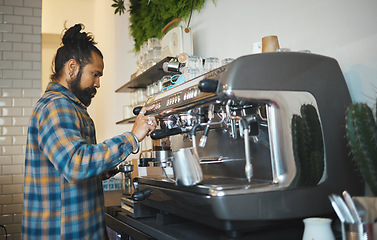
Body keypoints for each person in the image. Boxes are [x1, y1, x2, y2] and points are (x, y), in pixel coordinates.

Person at [21, 23, 156, 240]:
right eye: (95, 74)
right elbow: (76, 164)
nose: (98, 83)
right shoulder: (56, 106)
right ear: (72, 67)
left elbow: (66, 169)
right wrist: (132, 137)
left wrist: (100, 172)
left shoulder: (70, 106)